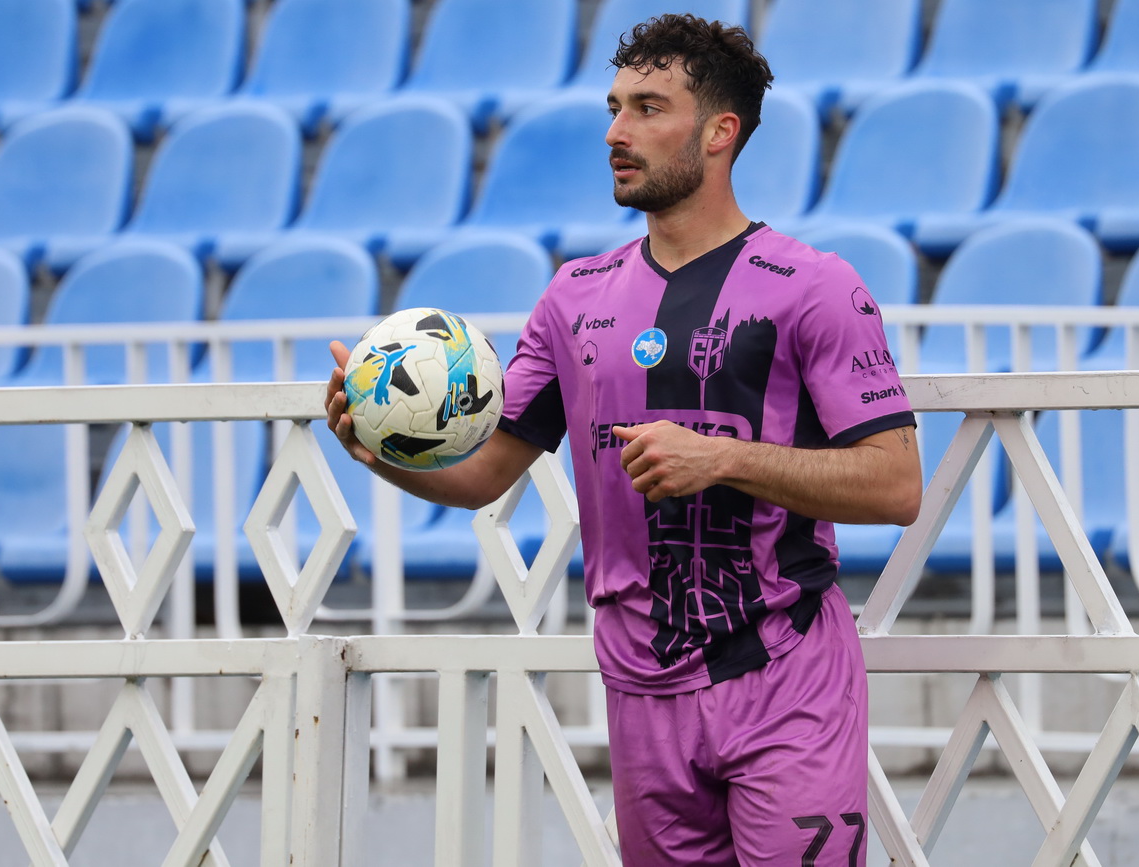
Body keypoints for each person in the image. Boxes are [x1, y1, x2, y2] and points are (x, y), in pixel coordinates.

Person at [325, 14, 921, 866]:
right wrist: (378, 448)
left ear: (720, 132)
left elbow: (896, 484)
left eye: (647, 108)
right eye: (613, 108)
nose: (615, 132)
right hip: (641, 686)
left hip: (786, 672)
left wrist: (724, 458)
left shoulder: (815, 287)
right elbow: (483, 472)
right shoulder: (574, 297)